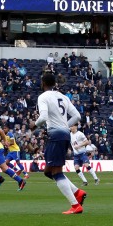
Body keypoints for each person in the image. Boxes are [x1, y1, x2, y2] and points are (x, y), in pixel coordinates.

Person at [35, 71, 87, 214]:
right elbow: (77, 116)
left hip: (56, 136)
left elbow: (43, 116)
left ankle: (75, 205)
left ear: (43, 83)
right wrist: (64, 126)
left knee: (56, 172)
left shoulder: (43, 97)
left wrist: (34, 125)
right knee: (48, 171)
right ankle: (77, 192)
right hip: (64, 135)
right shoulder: (63, 97)